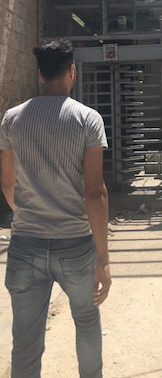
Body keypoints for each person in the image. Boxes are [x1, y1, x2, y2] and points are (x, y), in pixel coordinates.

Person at [0, 39, 111, 378]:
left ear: (39, 75)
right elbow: (94, 192)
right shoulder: (88, 119)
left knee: (27, 340)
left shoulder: (12, 119)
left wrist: (28, 212)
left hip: (24, 245)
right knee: (86, 319)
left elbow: (7, 184)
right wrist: (103, 259)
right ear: (72, 72)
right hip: (75, 246)